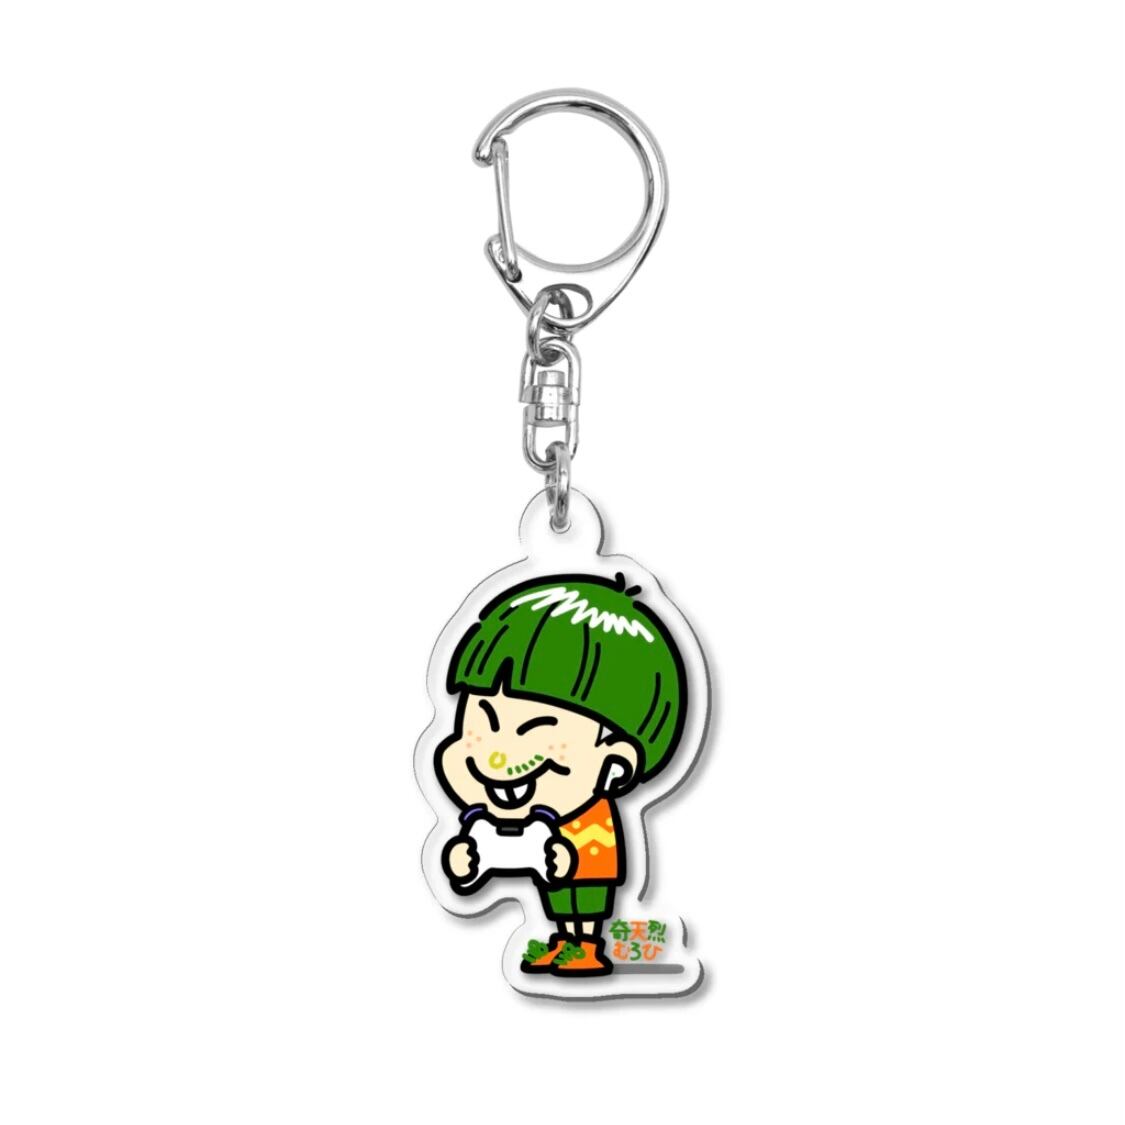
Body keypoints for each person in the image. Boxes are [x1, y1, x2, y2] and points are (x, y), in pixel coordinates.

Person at [435, 573, 687, 976]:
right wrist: (467, 860)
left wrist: (559, 854)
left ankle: (586, 943)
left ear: (616, 759)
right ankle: (564, 941)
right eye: (484, 724)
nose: (497, 755)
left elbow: (572, 858)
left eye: (533, 730)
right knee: (555, 895)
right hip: (551, 843)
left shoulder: (592, 814)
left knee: (584, 897)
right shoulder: (514, 814)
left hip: (589, 846)